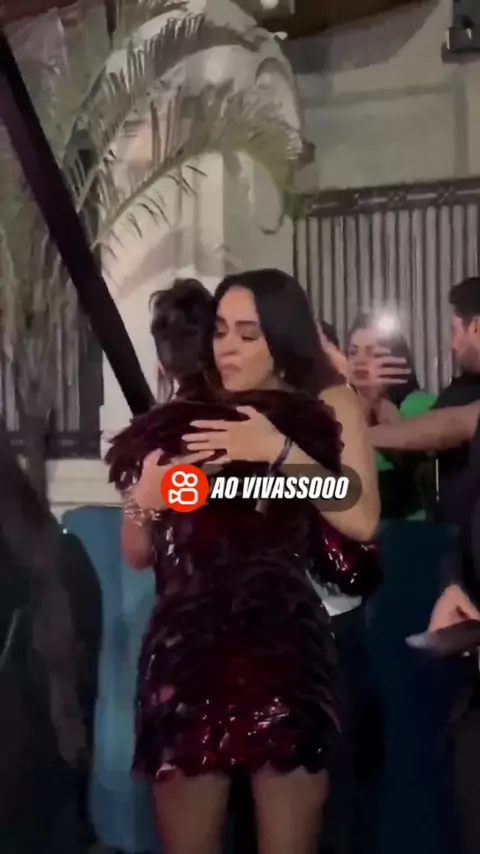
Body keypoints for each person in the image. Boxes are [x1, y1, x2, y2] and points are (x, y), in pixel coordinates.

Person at [106, 269, 380, 854]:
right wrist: (145, 501)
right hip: (187, 653)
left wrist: (275, 450)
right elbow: (136, 550)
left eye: (248, 334)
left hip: (285, 649)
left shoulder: (323, 408)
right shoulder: (187, 419)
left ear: (281, 338)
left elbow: (359, 517)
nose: (227, 347)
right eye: (221, 330)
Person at [369, 277, 480, 525]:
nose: (452, 345)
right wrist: (377, 400)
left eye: (455, 330)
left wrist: (356, 436)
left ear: (475, 327)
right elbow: (415, 435)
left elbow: (450, 425)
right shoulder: (464, 386)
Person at [346, 312, 436, 519]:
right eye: (353, 352)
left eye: (372, 353)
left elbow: (406, 460)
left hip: (407, 529)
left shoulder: (419, 403)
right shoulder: (337, 406)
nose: (360, 360)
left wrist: (377, 400)